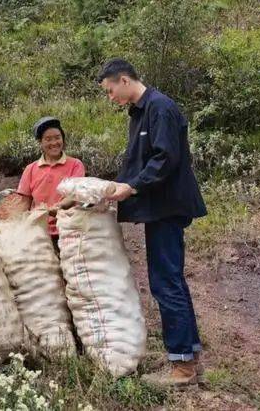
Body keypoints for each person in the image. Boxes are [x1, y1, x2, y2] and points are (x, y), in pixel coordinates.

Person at [97, 58, 207, 387]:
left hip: (167, 208)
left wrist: (132, 187)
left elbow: (165, 158)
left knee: (164, 282)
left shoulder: (160, 108)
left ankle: (182, 367)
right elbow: (142, 161)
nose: (110, 97)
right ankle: (188, 351)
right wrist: (116, 187)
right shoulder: (141, 112)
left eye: (110, 90)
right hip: (160, 208)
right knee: (170, 278)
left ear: (124, 80)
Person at [17, 116, 86, 250]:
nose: (54, 142)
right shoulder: (31, 169)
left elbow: (73, 195)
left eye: (57, 137)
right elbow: (23, 203)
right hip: (38, 234)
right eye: (48, 139)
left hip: (68, 231)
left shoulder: (75, 165)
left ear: (63, 139)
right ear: (40, 143)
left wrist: (56, 208)